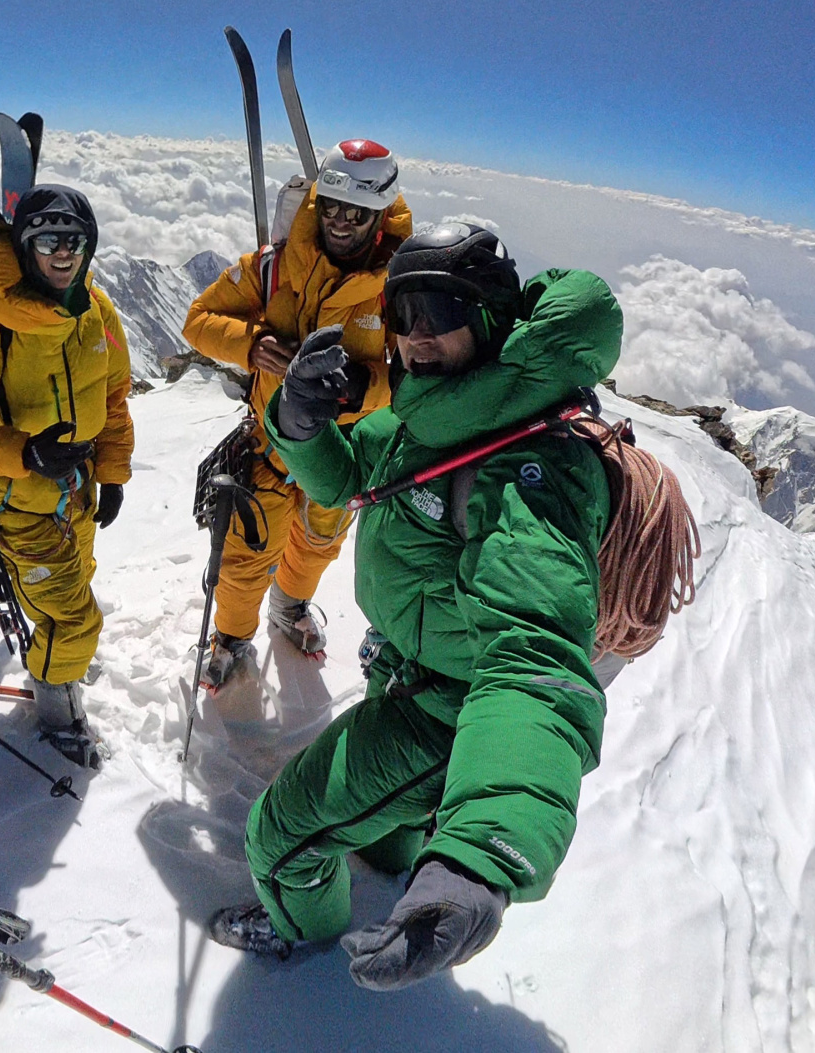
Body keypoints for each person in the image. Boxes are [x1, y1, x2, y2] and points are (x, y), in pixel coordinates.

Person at [209, 224, 624, 989]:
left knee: (281, 834)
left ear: (495, 317)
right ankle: (394, 850)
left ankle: (301, 934)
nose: (414, 338)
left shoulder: (525, 468)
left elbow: (532, 663)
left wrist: (481, 856)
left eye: (438, 310)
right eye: (401, 316)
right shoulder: (438, 416)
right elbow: (348, 474)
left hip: (448, 713)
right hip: (411, 665)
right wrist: (298, 423)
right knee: (389, 820)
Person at [182, 140, 413, 687]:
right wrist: (252, 342)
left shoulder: (399, 288)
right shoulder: (272, 268)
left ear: (380, 215)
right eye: (330, 206)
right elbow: (198, 320)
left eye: (355, 212)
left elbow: (412, 376)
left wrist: (362, 389)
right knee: (243, 558)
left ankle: (288, 608)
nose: (339, 220)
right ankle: (234, 637)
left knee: (315, 546)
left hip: (340, 454)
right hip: (266, 447)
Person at [0, 184, 134, 768]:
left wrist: (113, 471)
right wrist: (26, 456)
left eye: (74, 240)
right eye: (48, 240)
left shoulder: (96, 307)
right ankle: (56, 714)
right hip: (20, 500)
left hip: (80, 488)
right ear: (25, 246)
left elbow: (113, 394)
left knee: (75, 587)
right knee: (73, 617)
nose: (63, 252)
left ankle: (61, 663)